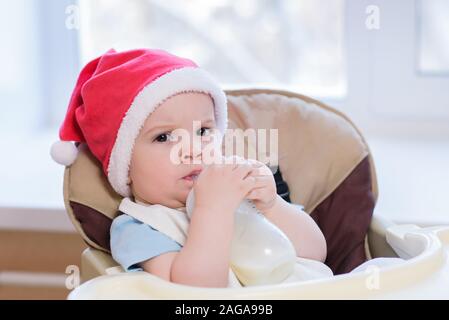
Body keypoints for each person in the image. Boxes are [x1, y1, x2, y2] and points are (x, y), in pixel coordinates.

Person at [50, 48, 329, 288]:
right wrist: (212, 210)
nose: (193, 149)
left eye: (204, 131)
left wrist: (272, 206)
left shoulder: (241, 190)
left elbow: (316, 253)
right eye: (164, 137)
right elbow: (194, 293)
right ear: (126, 169)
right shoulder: (140, 226)